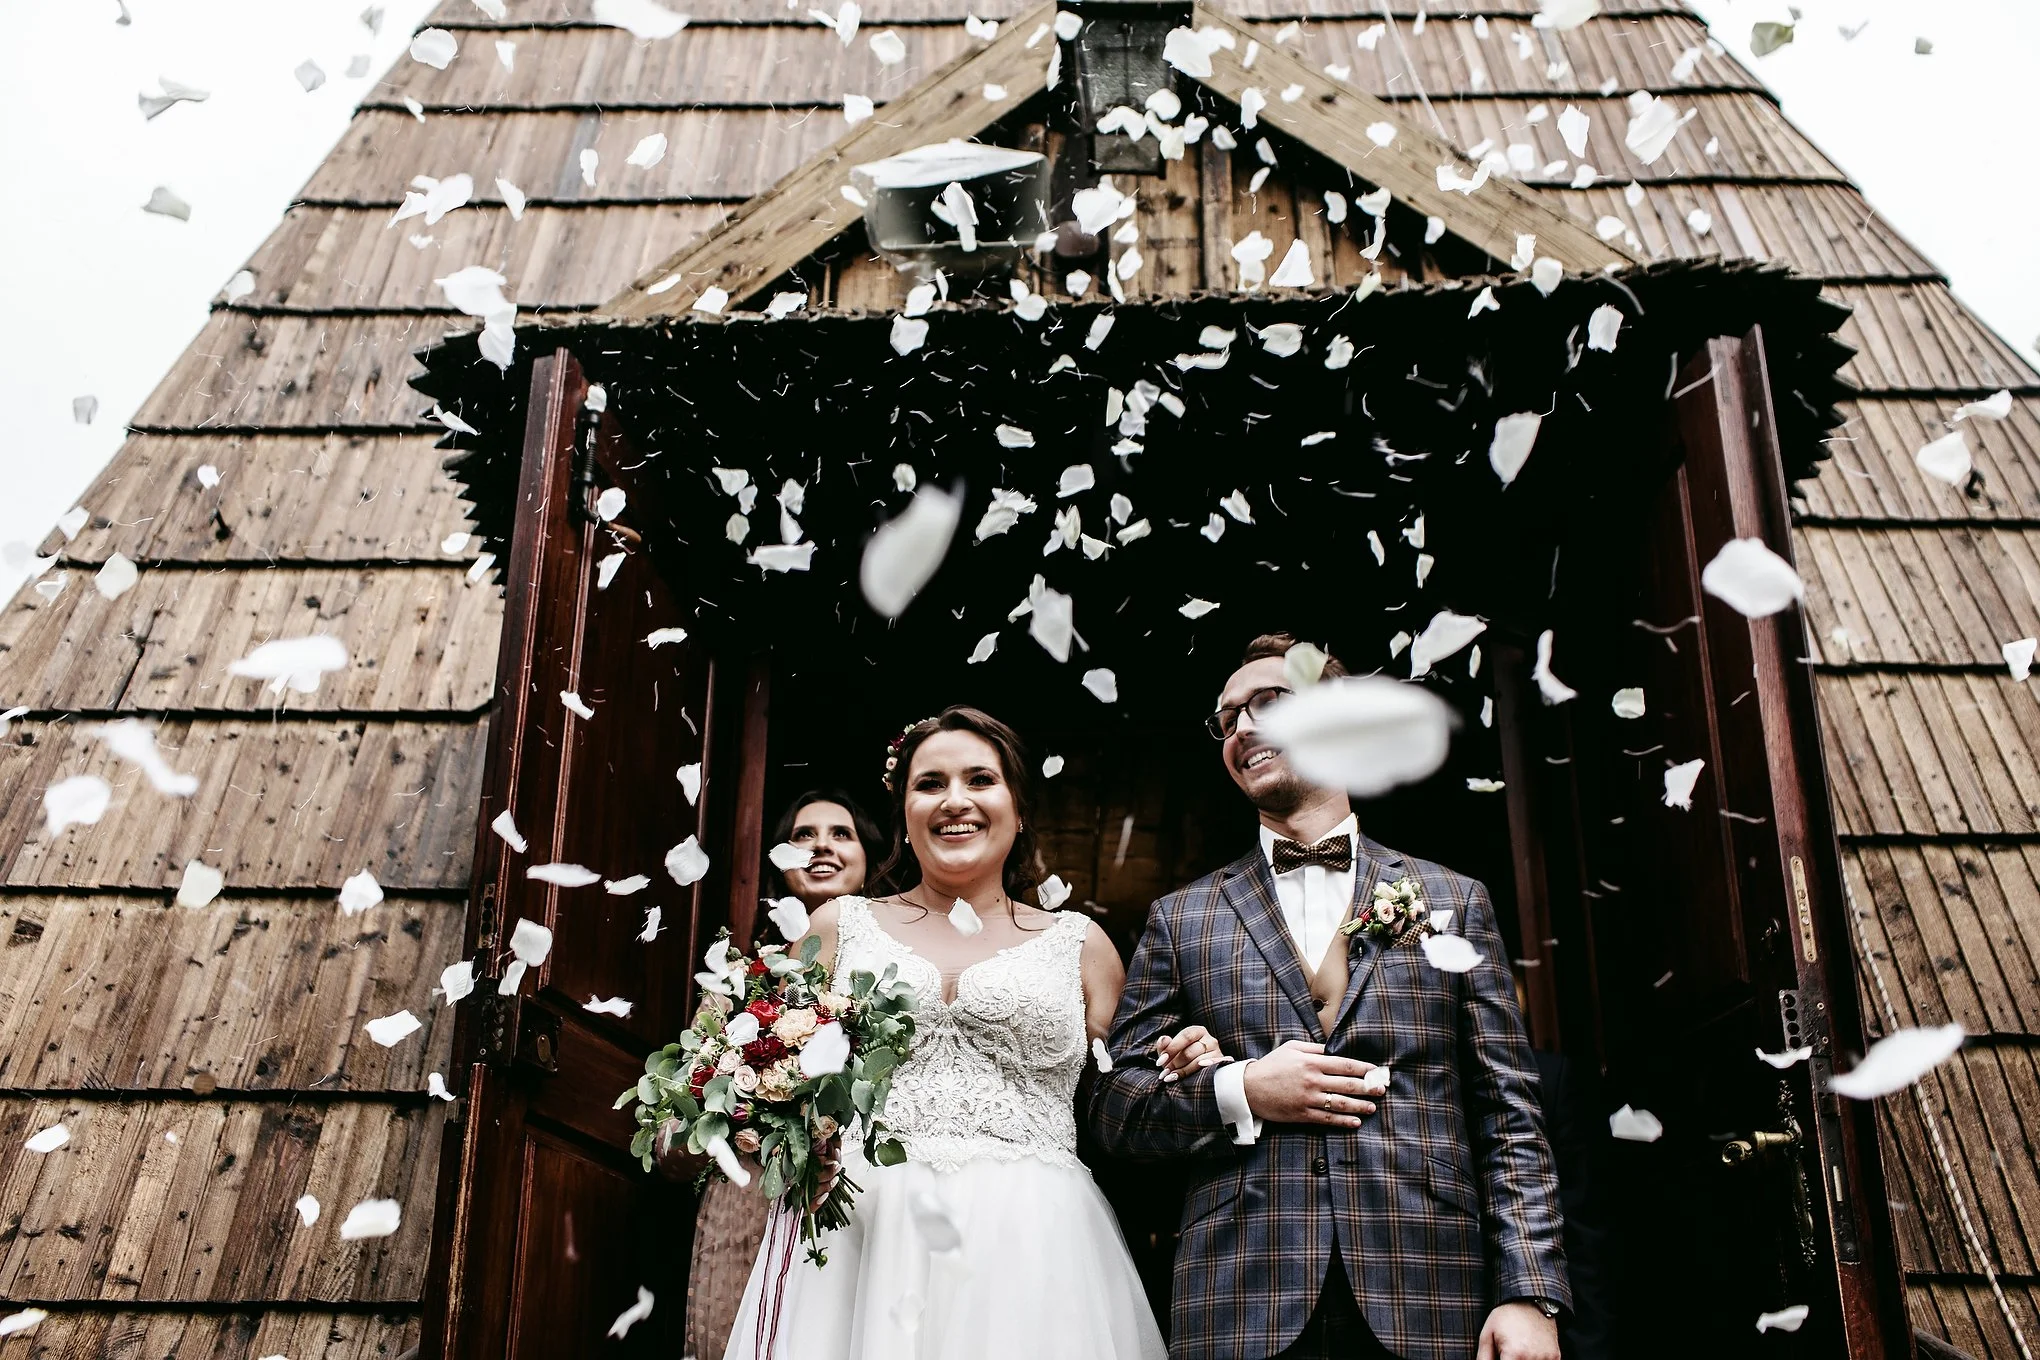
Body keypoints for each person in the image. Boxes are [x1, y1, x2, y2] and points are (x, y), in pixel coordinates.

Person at [1089, 634, 1571, 1360]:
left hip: (1430, 1286)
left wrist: (1529, 1291)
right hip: (1243, 1295)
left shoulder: (1452, 899)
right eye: (1227, 719)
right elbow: (1112, 1111)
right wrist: (1239, 1089)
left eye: (1267, 704)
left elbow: (1507, 1112)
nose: (1242, 728)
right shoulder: (1180, 918)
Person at [724, 707, 1172, 1360]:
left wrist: (1185, 1059)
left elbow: (1125, 1093)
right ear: (903, 812)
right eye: (930, 783)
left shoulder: (1082, 945)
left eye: (980, 780)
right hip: (861, 1230)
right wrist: (786, 1139)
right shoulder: (836, 927)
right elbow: (771, 1076)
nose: (954, 800)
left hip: (1033, 1241)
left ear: (1019, 810)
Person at [684, 791, 886, 1360]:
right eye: (803, 834)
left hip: (863, 1186)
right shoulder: (738, 971)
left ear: (871, 856)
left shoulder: (899, 972)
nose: (821, 844)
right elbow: (696, 1083)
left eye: (841, 833)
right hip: (752, 1183)